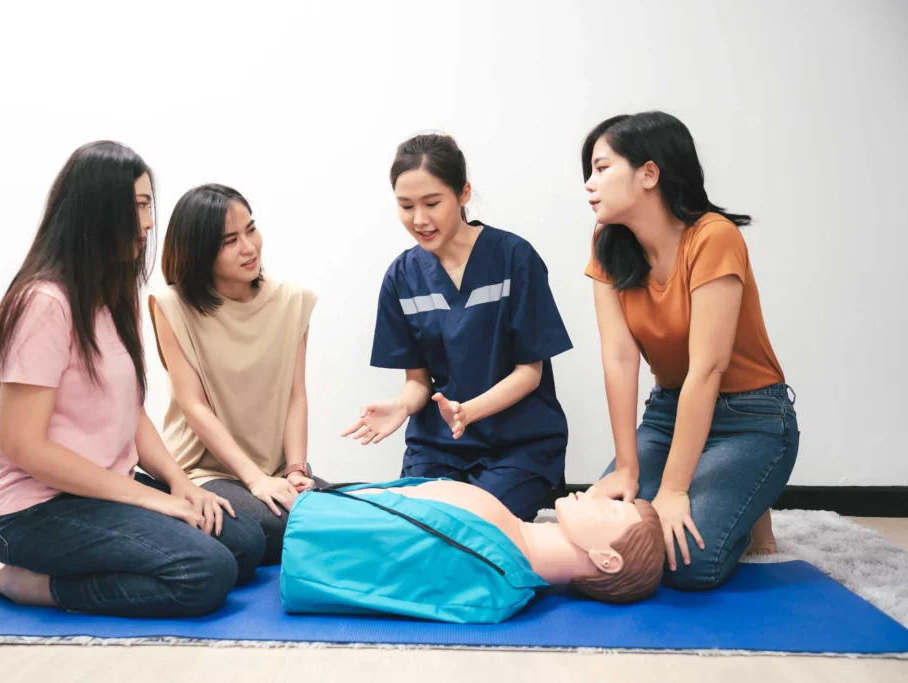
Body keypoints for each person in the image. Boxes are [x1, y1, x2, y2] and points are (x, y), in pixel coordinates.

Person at [0, 142, 266, 618]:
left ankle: (109, 556)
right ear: (96, 212)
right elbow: (22, 446)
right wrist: (151, 502)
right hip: (33, 512)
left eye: (148, 203)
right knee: (206, 573)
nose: (149, 222)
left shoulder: (120, 293)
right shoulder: (42, 303)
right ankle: (30, 584)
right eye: (136, 206)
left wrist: (179, 485)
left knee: (244, 543)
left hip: (104, 493)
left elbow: (130, 414)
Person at [580, 111, 800, 591]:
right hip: (667, 414)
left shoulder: (714, 236)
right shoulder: (608, 245)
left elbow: (708, 368)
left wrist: (676, 491)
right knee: (603, 536)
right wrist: (626, 467)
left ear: (649, 173)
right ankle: (721, 491)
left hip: (751, 419)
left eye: (601, 168)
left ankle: (745, 507)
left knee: (684, 564)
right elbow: (619, 359)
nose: (589, 184)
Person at [342, 134, 573, 521]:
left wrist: (467, 412)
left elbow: (530, 373)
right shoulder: (402, 276)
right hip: (438, 447)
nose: (419, 219)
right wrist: (401, 406)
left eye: (432, 203)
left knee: (475, 526)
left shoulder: (514, 258)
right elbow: (418, 382)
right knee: (420, 526)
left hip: (518, 445)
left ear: (463, 194)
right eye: (406, 206)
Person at [150, 184, 322, 565]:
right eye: (230, 240)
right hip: (203, 470)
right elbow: (193, 405)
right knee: (276, 528)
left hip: (274, 467)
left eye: (251, 229)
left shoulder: (293, 300)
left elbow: (296, 395)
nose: (249, 247)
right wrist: (255, 480)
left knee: (332, 514)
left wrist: (295, 468)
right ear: (198, 252)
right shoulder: (173, 306)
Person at [281, 478, 666, 622]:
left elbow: (334, 548)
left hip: (292, 522)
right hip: (306, 498)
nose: (599, 494)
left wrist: (301, 502)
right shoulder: (505, 532)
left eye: (614, 508)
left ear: (607, 559)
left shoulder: (494, 582)